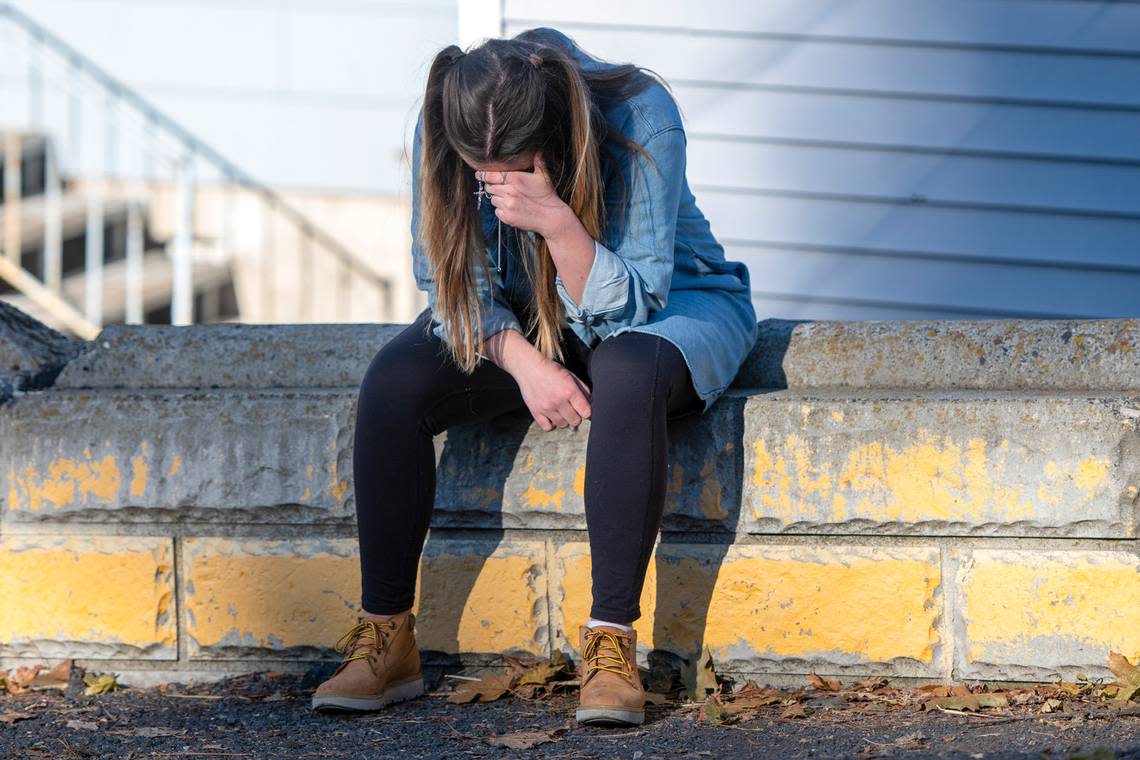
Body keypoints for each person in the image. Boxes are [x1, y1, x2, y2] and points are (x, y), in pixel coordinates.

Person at [311, 26, 758, 727]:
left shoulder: (641, 114)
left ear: (551, 137)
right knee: (394, 382)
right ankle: (388, 636)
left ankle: (610, 644)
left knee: (629, 373)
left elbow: (633, 302)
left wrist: (557, 224)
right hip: (530, 320)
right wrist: (526, 364)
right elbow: (448, 283)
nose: (491, 183)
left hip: (671, 308)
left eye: (512, 168)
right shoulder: (448, 120)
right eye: (477, 169)